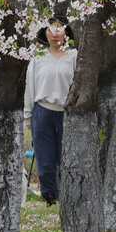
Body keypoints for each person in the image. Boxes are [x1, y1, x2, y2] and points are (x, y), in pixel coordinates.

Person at [25, 20, 77, 205]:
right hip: (42, 112)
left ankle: (68, 198)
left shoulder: (74, 56)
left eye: (59, 29)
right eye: (51, 30)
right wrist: (27, 117)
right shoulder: (38, 57)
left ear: (66, 32)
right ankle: (50, 198)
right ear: (44, 32)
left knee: (67, 159)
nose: (55, 34)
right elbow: (29, 88)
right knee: (45, 161)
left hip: (67, 113)